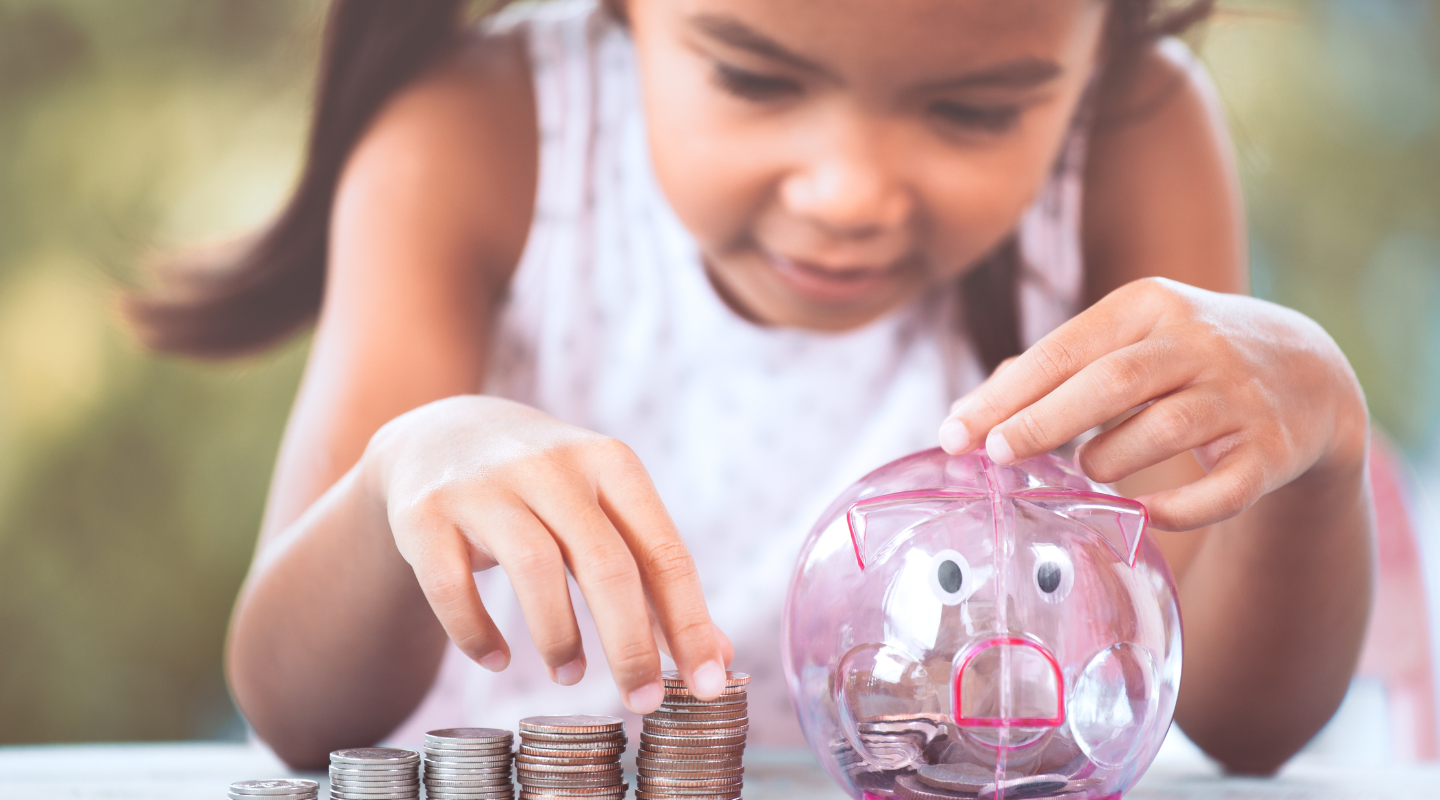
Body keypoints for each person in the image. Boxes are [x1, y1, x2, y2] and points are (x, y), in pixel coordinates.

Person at [131, 0, 1374, 775]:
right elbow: (290, 707)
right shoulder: (473, 134)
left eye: (971, 110)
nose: (848, 191)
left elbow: (1239, 724)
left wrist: (1325, 442)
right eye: (754, 78)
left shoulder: (1137, 137)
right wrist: (403, 473)